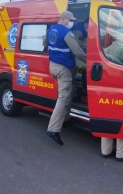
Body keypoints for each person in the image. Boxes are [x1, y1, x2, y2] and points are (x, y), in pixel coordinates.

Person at [44, 10, 87, 146]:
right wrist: (90, 61)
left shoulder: (51, 30)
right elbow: (77, 51)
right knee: (64, 97)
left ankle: (65, 120)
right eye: (70, 20)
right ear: (64, 19)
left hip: (53, 66)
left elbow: (45, 42)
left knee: (66, 92)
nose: (71, 22)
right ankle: (53, 129)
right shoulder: (67, 33)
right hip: (64, 68)